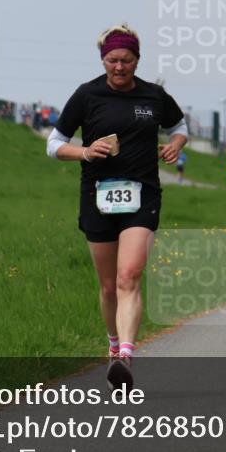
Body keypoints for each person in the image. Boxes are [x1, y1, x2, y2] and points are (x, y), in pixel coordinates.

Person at [47, 23, 188, 391]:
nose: (119, 67)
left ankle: (125, 355)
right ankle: (113, 344)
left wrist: (176, 144)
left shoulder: (155, 96)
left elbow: (180, 124)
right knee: (109, 286)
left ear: (137, 60)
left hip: (142, 194)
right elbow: (53, 143)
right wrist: (85, 151)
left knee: (129, 276)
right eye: (112, 61)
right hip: (98, 195)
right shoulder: (87, 95)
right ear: (103, 60)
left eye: (126, 60)